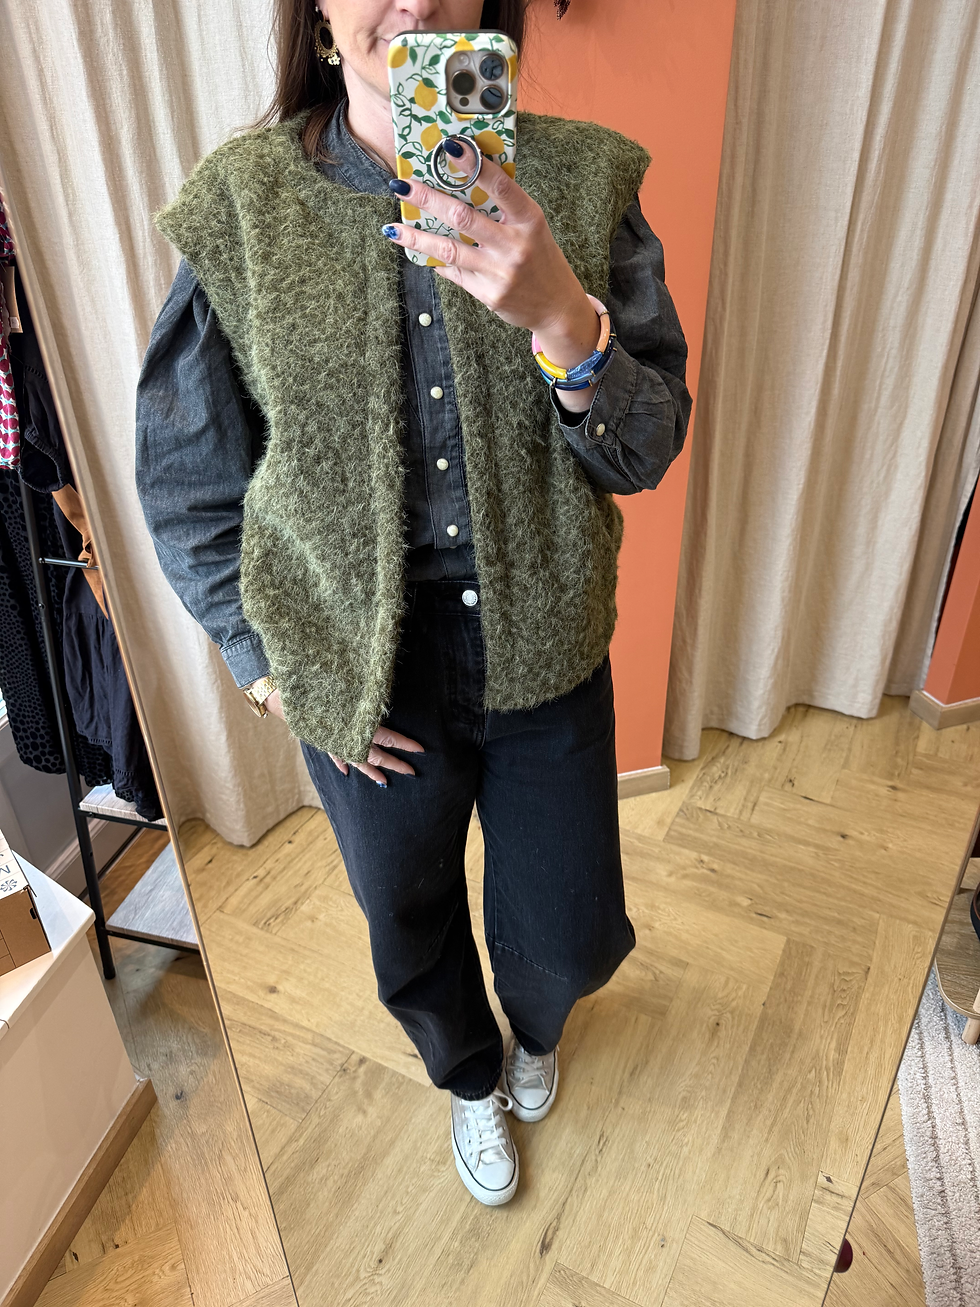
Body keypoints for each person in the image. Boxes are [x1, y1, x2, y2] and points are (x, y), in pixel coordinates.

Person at [135, 0, 691, 1208]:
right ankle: (468, 1072)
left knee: (570, 931)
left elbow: (646, 448)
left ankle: (535, 1025)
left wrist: (562, 316)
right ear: (320, 17)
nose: (414, 1)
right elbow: (186, 480)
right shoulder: (243, 206)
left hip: (544, 638)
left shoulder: (579, 180)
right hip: (361, 669)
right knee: (406, 918)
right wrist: (264, 664)